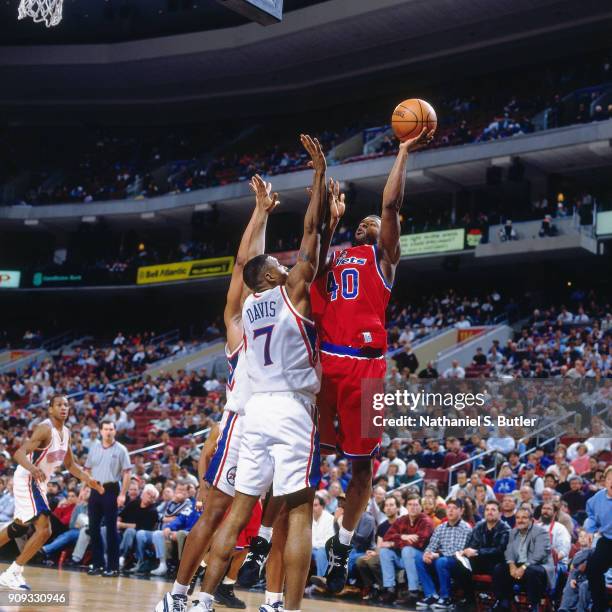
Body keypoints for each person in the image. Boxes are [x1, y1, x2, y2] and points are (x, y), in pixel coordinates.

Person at [190, 134, 329, 612]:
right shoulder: (293, 291)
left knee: (238, 512)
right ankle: (285, 608)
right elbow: (313, 233)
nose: (283, 261)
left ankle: (202, 600)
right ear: (272, 275)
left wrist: (261, 214)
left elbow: (243, 266)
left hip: (256, 414)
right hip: (291, 409)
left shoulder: (246, 310)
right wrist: (318, 178)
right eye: (277, 263)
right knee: (299, 514)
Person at [310, 127, 434, 593]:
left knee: (362, 469)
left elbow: (390, 205)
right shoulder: (337, 258)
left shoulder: (385, 260)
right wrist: (330, 213)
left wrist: (401, 151)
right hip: (325, 364)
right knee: (306, 463)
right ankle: (271, 547)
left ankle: (341, 551)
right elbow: (313, 241)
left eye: (374, 221)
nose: (369, 221)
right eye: (362, 222)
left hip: (367, 368)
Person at [157, 173, 277, 612]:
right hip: (241, 424)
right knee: (214, 513)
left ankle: (207, 598)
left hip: (274, 426)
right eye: (268, 273)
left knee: (246, 522)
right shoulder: (239, 323)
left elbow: (262, 265)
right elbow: (246, 262)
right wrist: (259, 214)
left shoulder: (284, 316)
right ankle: (176, 595)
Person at [0, 395, 103, 590]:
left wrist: (89, 480)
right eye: (59, 405)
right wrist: (33, 468)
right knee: (45, 529)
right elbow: (19, 453)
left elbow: (71, 465)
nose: (64, 408)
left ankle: (12, 572)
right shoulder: (45, 428)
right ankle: (12, 572)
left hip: (39, 482)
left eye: (66, 404)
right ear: (50, 409)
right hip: (28, 478)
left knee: (19, 527)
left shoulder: (66, 433)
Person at [85, 419, 132, 577]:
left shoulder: (121, 449)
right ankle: (97, 564)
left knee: (111, 530)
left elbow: (127, 473)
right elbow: (87, 469)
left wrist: (123, 494)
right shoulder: (94, 448)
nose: (108, 432)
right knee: (93, 528)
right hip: (95, 489)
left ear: (115, 431)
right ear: (100, 431)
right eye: (105, 429)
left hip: (111, 490)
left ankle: (113, 567)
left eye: (111, 429)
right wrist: (85, 488)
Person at [492, 506, 555, 611]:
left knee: (531, 571)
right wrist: (512, 565)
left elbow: (539, 555)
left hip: (539, 567)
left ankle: (534, 606)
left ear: (531, 520)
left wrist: (523, 567)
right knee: (499, 568)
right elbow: (509, 552)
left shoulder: (541, 532)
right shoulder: (513, 532)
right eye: (518, 518)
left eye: (524, 518)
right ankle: (504, 602)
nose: (520, 520)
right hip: (519, 567)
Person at [414, 498, 472, 610]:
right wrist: (427, 553)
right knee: (419, 558)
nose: (450, 511)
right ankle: (431, 594)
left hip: (459, 562)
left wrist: (438, 555)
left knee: (441, 561)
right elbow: (432, 545)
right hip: (443, 559)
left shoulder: (466, 528)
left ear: (461, 511)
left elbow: (459, 551)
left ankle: (446, 597)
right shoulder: (441, 527)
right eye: (448, 508)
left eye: (454, 508)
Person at [378, 493, 433, 604]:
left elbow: (419, 542)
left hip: (421, 557)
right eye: (410, 504)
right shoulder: (402, 519)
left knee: (407, 550)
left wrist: (394, 543)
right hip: (404, 557)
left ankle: (413, 592)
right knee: (384, 552)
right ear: (406, 507)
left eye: (416, 504)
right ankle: (390, 590)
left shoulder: (426, 521)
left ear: (421, 507)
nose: (413, 507)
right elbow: (387, 537)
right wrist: (403, 537)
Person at [583, 465, 612, 612]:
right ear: (605, 481)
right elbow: (592, 515)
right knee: (593, 569)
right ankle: (600, 606)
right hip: (607, 540)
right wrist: (590, 530)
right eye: (609, 478)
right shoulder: (598, 497)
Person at [311, 493, 335, 577]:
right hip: (311, 549)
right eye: (312, 505)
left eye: (315, 505)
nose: (313, 508)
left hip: (326, 549)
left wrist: (312, 544)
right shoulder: (308, 518)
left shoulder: (330, 519)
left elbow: (328, 541)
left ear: (322, 506)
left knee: (321, 553)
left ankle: (321, 579)